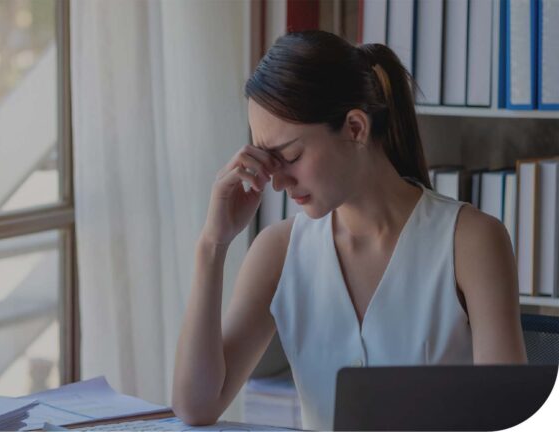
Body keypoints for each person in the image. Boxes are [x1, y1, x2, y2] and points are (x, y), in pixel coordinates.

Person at [171, 30, 528, 430]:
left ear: (355, 128)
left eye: (290, 155)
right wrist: (212, 244)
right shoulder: (277, 251)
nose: (278, 182)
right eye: (267, 159)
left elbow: (511, 418)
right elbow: (196, 407)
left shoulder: (471, 241)